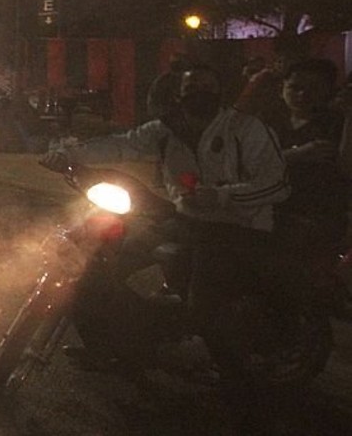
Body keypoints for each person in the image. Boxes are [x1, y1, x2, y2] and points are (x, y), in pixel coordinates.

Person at [41, 65, 290, 394]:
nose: (196, 93)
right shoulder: (165, 131)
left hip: (239, 228)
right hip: (187, 221)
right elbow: (120, 145)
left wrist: (224, 196)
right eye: (190, 88)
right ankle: (111, 348)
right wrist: (68, 154)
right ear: (178, 96)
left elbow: (277, 185)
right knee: (93, 264)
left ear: (219, 92)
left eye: (205, 86)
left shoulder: (246, 129)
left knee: (202, 305)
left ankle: (234, 381)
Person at [271, 58, 348, 256]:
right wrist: (298, 154)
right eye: (295, 87)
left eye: (313, 88)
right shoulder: (269, 121)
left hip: (318, 221)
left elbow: (345, 168)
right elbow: (247, 163)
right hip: (270, 216)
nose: (302, 95)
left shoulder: (336, 123)